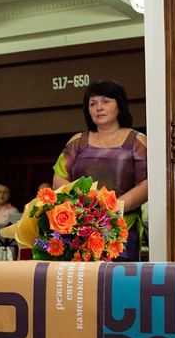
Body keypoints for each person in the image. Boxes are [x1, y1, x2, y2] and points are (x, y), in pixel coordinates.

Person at [53, 80, 148, 261]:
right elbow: (59, 179)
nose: (99, 108)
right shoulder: (77, 141)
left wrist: (114, 207)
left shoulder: (137, 140)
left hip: (122, 229)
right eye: (93, 103)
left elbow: (147, 183)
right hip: (79, 228)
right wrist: (84, 208)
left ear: (119, 105)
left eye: (105, 101)